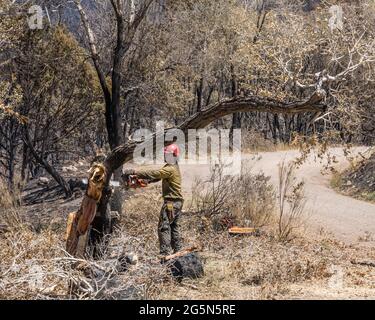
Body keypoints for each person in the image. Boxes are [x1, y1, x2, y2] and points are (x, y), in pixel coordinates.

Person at [123, 144, 184, 256]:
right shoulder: (173, 167)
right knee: (174, 227)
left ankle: (164, 254)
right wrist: (148, 181)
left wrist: (135, 171)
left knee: (163, 227)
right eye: (166, 154)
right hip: (177, 202)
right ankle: (178, 252)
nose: (166, 156)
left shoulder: (170, 168)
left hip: (171, 202)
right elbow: (158, 176)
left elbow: (156, 173)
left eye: (169, 155)